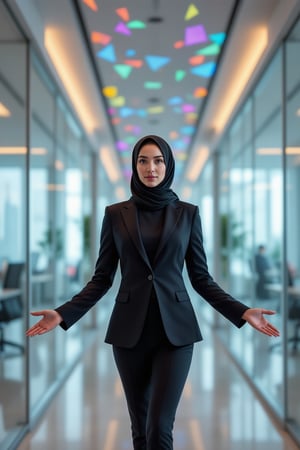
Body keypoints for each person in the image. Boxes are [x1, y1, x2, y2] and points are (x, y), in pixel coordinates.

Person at [26, 135, 280, 450]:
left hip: (176, 333)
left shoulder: (187, 213)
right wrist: (63, 313)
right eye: (143, 161)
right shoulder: (116, 214)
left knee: (160, 427)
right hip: (128, 333)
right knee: (141, 428)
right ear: (134, 166)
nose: (151, 168)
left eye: (158, 160)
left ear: (168, 165)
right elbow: (101, 279)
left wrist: (241, 311)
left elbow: (201, 278)